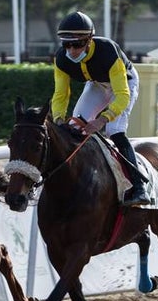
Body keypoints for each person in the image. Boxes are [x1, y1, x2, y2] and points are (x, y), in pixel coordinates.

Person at [51, 11, 151, 207]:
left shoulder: (107, 50)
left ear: (89, 40)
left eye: (77, 44)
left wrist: (102, 120)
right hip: (96, 84)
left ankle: (139, 187)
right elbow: (60, 95)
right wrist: (58, 120)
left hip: (124, 84)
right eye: (66, 44)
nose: (72, 50)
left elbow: (122, 95)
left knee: (114, 130)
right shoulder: (61, 59)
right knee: (74, 127)